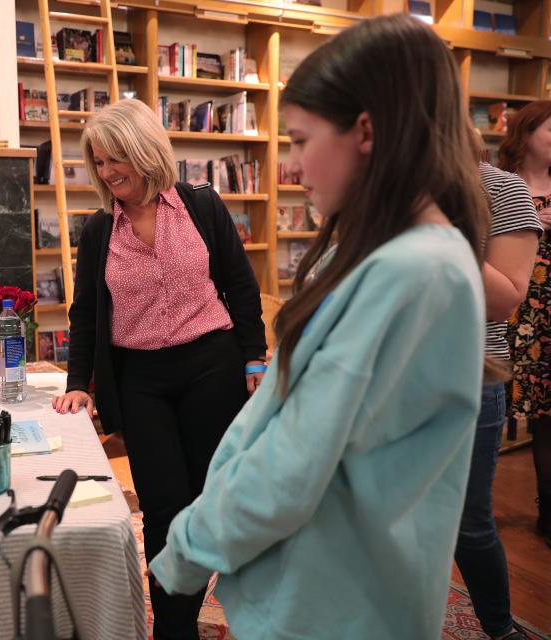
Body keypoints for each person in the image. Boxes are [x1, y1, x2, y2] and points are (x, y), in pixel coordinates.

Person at [147, 14, 492, 639]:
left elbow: (292, 463)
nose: (295, 167)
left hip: (333, 601)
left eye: (303, 141)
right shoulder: (390, 253)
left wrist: (187, 548)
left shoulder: (410, 268)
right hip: (330, 586)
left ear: (365, 131)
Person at [51, 98, 267, 639]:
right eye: (98, 163)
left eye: (114, 158)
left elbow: (240, 286)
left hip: (211, 367)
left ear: (144, 150)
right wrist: (79, 384)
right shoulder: (100, 230)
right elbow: (85, 314)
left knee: (209, 499)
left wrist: (254, 356)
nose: (107, 172)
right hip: (140, 379)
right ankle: (174, 629)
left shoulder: (202, 206)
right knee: (163, 504)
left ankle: (241, 610)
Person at [453, 158, 541, 640]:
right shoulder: (374, 180)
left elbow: (505, 299)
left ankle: (500, 629)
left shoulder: (500, 188)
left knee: (468, 522)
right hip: (378, 378)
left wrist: (432, 219)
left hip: (466, 376)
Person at [498, 100, 551, 550]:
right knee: (500, 398)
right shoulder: (503, 183)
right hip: (515, 307)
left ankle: (547, 511)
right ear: (527, 131)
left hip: (550, 310)